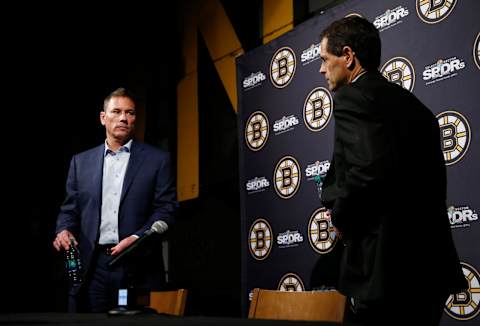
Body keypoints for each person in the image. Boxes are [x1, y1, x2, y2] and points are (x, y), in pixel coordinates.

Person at [318, 16, 467, 326]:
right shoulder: (417, 107)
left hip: (386, 271)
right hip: (431, 269)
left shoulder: (351, 97)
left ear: (348, 56)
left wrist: (341, 218)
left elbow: (365, 171)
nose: (321, 69)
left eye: (324, 59)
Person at [53, 87, 178, 312]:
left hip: (138, 263)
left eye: (130, 113)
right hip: (93, 267)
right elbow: (69, 210)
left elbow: (167, 209)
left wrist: (137, 237)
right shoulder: (80, 162)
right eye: (117, 111)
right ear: (103, 117)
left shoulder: (158, 160)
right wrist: (63, 230)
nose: (123, 118)